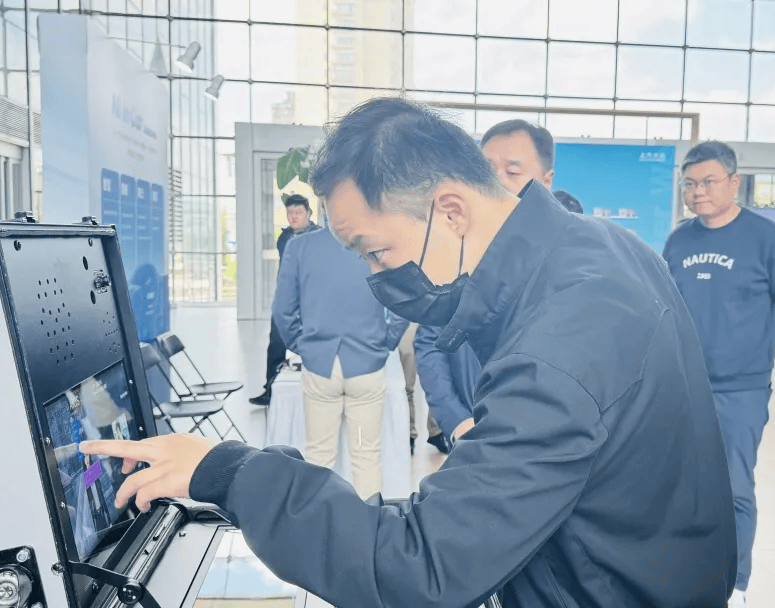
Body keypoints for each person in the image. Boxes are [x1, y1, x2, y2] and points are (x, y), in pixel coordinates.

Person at [82, 98, 736, 607]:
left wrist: (231, 473)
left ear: (450, 210)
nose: (376, 278)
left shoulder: (562, 339)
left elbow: (425, 568)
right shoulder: (599, 248)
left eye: (376, 251)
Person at [663, 141, 775, 608]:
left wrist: (754, 349)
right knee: (682, 486)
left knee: (733, 488)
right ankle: (685, 572)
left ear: (734, 182)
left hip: (739, 390)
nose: (698, 192)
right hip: (684, 385)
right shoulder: (678, 241)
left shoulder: (769, 240)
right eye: (689, 184)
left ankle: (735, 584)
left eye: (708, 181)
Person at [414, 118, 564, 445]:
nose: (495, 183)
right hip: (471, 432)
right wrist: (455, 419)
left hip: (544, 439)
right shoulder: (454, 254)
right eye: (485, 170)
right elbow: (430, 342)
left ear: (546, 181)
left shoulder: (566, 259)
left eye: (512, 172)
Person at [269, 222, 408, 497]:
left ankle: (319, 520)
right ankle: (368, 521)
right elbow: (403, 303)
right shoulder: (379, 242)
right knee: (366, 455)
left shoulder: (299, 247)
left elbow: (282, 311)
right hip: (366, 363)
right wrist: (386, 342)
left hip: (321, 365)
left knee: (318, 456)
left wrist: (303, 347)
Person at [250, 194, 319, 406]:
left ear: (308, 213)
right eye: (290, 213)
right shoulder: (284, 237)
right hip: (287, 299)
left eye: (298, 212)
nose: (294, 216)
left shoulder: (319, 237)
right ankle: (270, 389)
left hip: (312, 299)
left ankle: (316, 391)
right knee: (276, 343)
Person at [396, 323, 448, 455]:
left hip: (433, 323)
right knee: (406, 387)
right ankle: (409, 435)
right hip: (407, 322)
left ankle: (436, 431)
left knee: (439, 382)